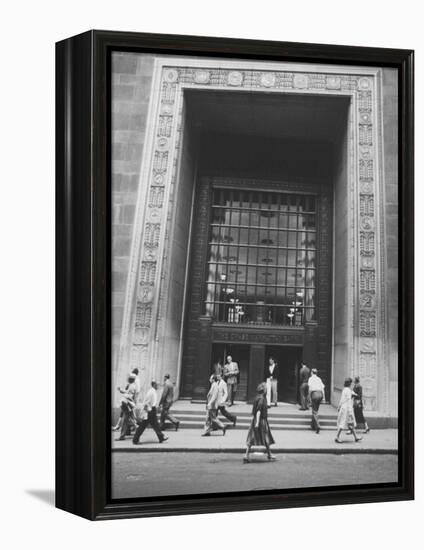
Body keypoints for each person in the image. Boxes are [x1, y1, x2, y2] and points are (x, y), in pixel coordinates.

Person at [244, 383, 276, 463]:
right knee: (266, 437)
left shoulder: (257, 397)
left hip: (256, 420)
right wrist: (257, 422)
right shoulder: (262, 399)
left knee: (251, 438)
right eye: (266, 389)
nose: (267, 390)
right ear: (263, 390)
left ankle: (246, 455)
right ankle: (269, 454)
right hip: (261, 420)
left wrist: (254, 421)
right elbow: (258, 411)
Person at [335, 378, 363, 443]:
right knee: (343, 422)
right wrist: (350, 411)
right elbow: (348, 401)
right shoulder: (348, 390)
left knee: (350, 423)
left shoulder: (345, 389)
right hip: (346, 408)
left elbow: (342, 399)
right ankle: (337, 437)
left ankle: (356, 437)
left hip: (343, 407)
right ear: (350, 383)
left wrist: (339, 407)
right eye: (351, 383)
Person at [115, 374, 138, 441]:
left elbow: (129, 395)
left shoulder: (132, 386)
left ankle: (123, 436)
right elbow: (127, 392)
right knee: (130, 419)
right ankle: (137, 429)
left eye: (129, 379)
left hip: (128, 404)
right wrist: (121, 390)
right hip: (129, 404)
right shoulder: (132, 385)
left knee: (126, 419)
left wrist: (124, 398)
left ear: (131, 380)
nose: (128, 380)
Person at [308, 368, 325, 434]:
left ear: (312, 372)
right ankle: (313, 425)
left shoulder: (310, 379)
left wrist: (309, 397)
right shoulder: (319, 379)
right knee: (316, 410)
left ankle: (318, 425)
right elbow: (322, 389)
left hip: (314, 394)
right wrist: (323, 398)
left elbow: (309, 389)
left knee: (314, 411)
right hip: (320, 394)